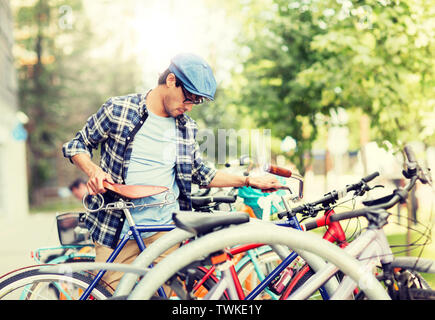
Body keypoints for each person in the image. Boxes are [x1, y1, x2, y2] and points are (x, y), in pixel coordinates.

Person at [62, 52, 282, 291]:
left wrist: (249, 181)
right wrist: (93, 170)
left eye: (195, 103)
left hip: (165, 232)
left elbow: (201, 173)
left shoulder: (186, 127)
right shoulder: (119, 109)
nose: (188, 107)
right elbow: (77, 145)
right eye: (187, 98)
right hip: (117, 229)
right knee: (111, 295)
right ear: (170, 81)